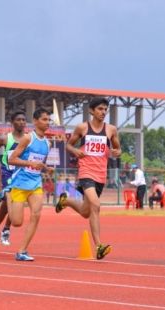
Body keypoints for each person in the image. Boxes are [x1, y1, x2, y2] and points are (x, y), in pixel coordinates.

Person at [55, 97, 121, 260]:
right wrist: (75, 151)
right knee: (96, 205)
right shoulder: (82, 128)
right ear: (91, 111)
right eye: (99, 109)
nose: (103, 112)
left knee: (86, 212)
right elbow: (69, 145)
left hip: (100, 175)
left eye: (105, 109)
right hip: (86, 172)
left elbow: (117, 148)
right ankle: (99, 246)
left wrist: (117, 152)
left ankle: (65, 201)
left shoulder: (111, 129)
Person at [8, 108, 52, 262]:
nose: (47, 123)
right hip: (20, 183)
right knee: (17, 222)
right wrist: (30, 163)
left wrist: (46, 168)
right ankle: (7, 197)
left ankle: (22, 250)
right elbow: (11, 159)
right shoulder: (28, 138)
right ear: (35, 121)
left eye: (49, 120)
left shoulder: (48, 143)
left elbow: (39, 163)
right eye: (44, 119)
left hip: (35, 183)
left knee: (36, 214)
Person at [0, 111, 27, 252]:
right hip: (7, 175)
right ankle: (6, 229)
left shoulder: (28, 139)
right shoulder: (4, 138)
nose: (21, 122)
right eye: (18, 119)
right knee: (10, 205)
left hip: (21, 176)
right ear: (12, 122)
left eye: (23, 120)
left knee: (6, 208)